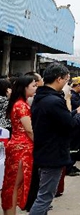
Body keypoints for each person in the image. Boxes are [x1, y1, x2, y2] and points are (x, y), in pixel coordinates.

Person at [29, 63, 80, 215]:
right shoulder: (54, 101)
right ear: (59, 79)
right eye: (67, 80)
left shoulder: (42, 98)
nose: (68, 85)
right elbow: (69, 125)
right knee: (44, 198)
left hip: (44, 150)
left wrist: (76, 111)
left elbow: (61, 119)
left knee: (43, 195)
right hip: (52, 153)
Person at [1, 76, 37, 215]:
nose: (35, 88)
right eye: (33, 86)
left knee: (13, 184)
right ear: (24, 87)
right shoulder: (21, 105)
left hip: (18, 145)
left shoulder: (20, 103)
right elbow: (29, 130)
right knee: (14, 185)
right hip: (21, 148)